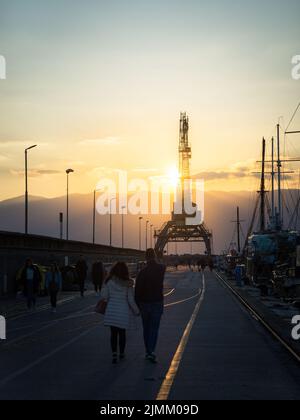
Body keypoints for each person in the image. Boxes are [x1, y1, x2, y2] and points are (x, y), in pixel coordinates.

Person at [100, 262, 140, 364]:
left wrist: (104, 286)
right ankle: (121, 353)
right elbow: (130, 299)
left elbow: (104, 296)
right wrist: (137, 311)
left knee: (113, 334)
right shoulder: (128, 283)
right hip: (123, 311)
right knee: (122, 333)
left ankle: (114, 354)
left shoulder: (109, 281)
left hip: (112, 310)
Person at [135, 249, 166, 363]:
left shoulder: (142, 272)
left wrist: (138, 305)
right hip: (157, 302)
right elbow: (162, 265)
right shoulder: (161, 269)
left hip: (144, 303)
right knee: (154, 328)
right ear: (154, 256)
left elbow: (137, 291)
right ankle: (151, 351)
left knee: (146, 328)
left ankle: (148, 351)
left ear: (146, 258)